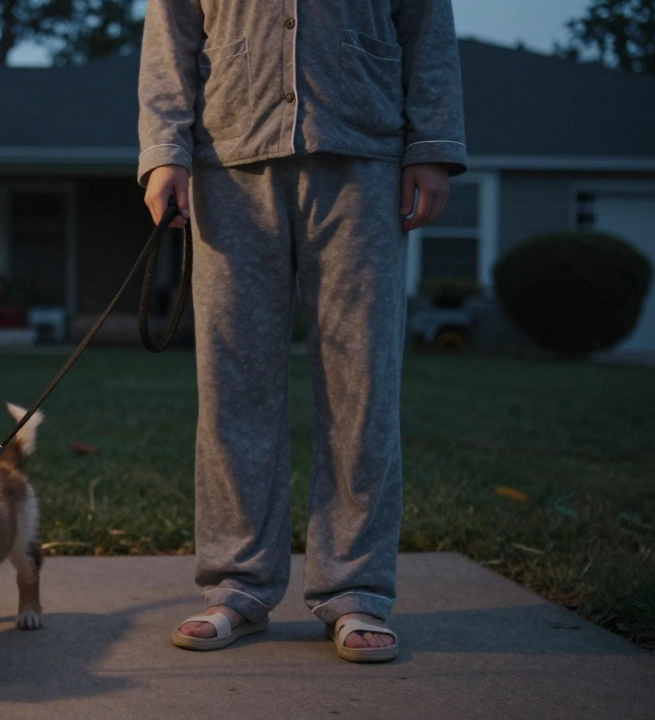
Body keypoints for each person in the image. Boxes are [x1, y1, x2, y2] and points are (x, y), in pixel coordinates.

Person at [137, 0, 467, 662]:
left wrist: (432, 144)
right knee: (233, 384)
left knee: (363, 383)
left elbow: (427, 26)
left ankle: (357, 591)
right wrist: (164, 149)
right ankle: (238, 586)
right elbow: (170, 37)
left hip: (363, 157)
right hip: (228, 159)